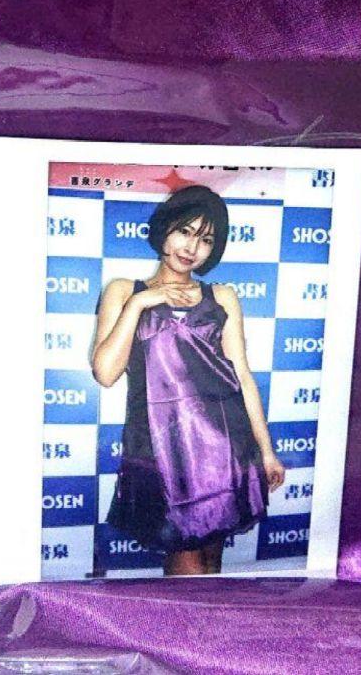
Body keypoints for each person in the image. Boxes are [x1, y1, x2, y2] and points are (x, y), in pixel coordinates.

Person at [92, 184, 285, 576]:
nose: (192, 247)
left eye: (206, 239)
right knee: (188, 567)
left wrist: (266, 451)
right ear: (165, 229)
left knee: (210, 563)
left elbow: (242, 375)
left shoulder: (222, 296)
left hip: (223, 446)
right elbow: (105, 373)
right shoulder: (124, 291)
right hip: (162, 451)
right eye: (185, 231)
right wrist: (140, 304)